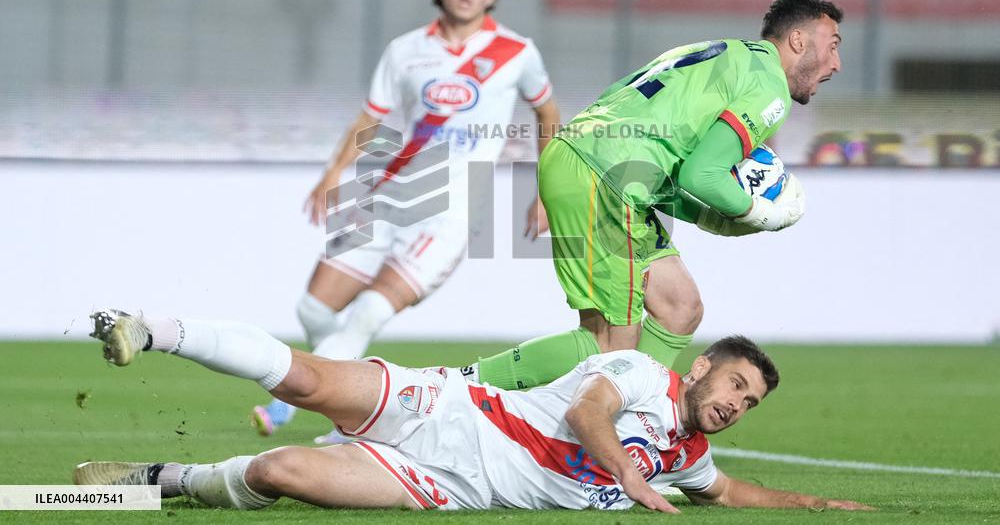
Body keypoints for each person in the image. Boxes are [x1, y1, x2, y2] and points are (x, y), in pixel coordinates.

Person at [78, 309, 870, 513]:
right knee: (308, 382)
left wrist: (820, 502)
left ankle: (153, 479)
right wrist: (628, 475)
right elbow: (591, 411)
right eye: (734, 384)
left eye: (749, 401)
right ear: (701, 368)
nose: (736, 403)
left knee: (281, 470)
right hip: (453, 408)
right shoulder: (638, 372)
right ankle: (155, 330)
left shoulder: (687, 460)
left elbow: (731, 492)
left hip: (445, 485)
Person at [254, 0, 561, 439]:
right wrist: (334, 172)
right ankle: (355, 396)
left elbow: (547, 113)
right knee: (312, 309)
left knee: (369, 311)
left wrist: (546, 190)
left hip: (452, 212)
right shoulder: (406, 51)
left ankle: (305, 407)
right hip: (388, 195)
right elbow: (372, 117)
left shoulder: (517, 53)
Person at [469, 0, 843, 390]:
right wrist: (758, 212)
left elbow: (659, 151)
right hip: (605, 176)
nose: (836, 63)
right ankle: (460, 387)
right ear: (798, 41)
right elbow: (703, 177)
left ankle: (627, 413)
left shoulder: (718, 52)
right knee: (609, 346)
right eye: (833, 45)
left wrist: (716, 218)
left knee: (679, 306)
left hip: (599, 165)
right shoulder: (769, 87)